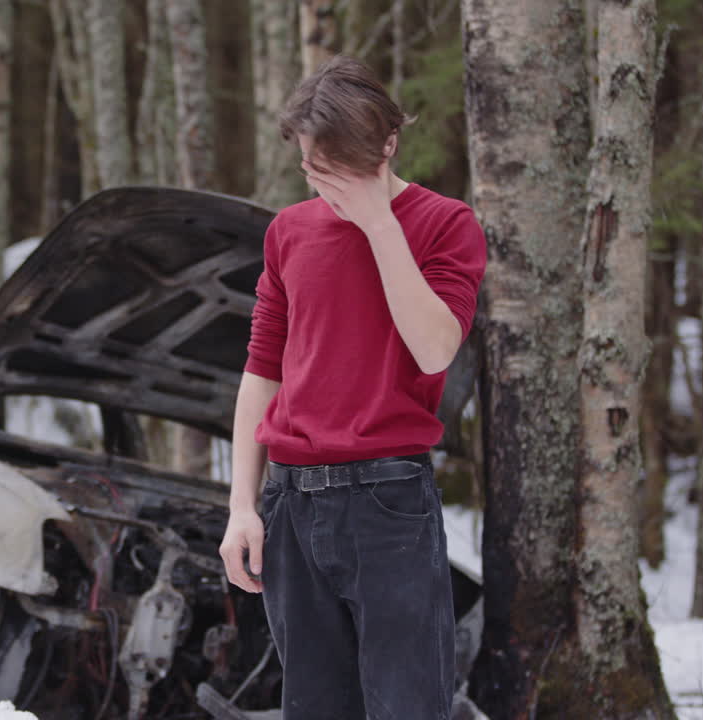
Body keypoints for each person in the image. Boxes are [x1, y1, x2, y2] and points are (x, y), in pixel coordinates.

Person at [218, 55, 486, 720]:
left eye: (335, 161)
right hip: (291, 505)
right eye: (310, 161)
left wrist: (378, 223)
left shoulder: (445, 224)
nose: (320, 176)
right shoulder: (290, 231)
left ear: (386, 145)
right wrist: (242, 507)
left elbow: (435, 347)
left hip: (388, 504)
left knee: (406, 707)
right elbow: (261, 373)